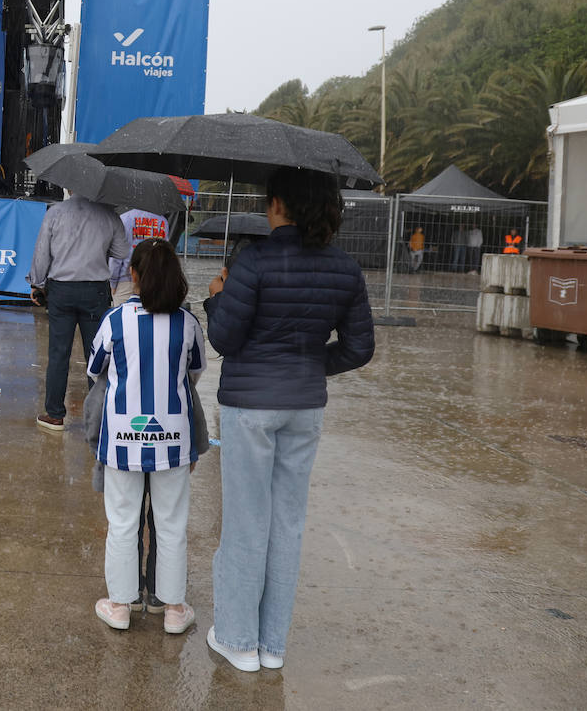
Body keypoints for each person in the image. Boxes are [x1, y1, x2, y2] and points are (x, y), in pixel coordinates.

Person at [203, 166, 375, 672]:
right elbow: (359, 347)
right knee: (287, 525)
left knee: (245, 524)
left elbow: (225, 340)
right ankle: (272, 646)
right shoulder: (346, 269)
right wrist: (306, 363)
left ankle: (237, 639)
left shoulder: (254, 261)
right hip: (305, 407)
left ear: (279, 205)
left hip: (251, 407)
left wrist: (216, 299)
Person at [86, 239, 204, 634]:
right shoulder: (188, 324)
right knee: (171, 523)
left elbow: (93, 371)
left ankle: (120, 605)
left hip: (122, 439)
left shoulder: (115, 321)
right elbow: (195, 373)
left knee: (122, 521)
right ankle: (172, 610)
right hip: (173, 439)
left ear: (133, 275)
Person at [27, 191, 130, 431]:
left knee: (58, 354)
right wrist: (99, 248)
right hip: (95, 292)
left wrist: (37, 284)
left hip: (61, 291)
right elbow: (122, 252)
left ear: (69, 188)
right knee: (97, 354)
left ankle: (54, 415)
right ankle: (98, 416)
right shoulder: (109, 214)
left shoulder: (55, 213)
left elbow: (42, 253)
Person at [108, 208, 172, 306]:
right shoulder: (162, 221)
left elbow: (117, 255)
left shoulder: (124, 219)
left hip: (126, 280)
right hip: (154, 280)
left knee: (123, 318)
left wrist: (113, 281)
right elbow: (165, 252)